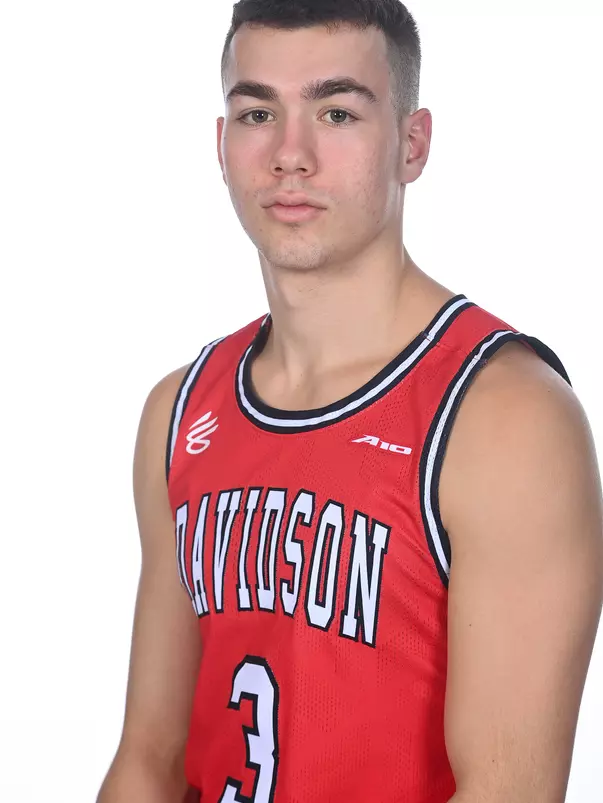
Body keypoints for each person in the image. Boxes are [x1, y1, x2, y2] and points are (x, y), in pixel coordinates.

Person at [96, 2, 603, 802]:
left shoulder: (503, 420)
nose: (289, 155)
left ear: (412, 143)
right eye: (258, 112)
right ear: (220, 144)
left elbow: (508, 789)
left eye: (336, 112)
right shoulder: (179, 411)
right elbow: (147, 759)